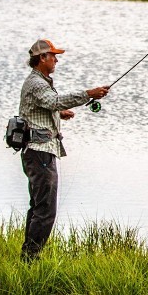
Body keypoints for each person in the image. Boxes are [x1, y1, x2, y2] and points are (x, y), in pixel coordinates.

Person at [18, 38, 109, 262]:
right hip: (40, 153)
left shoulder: (40, 82)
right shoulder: (37, 83)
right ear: (42, 58)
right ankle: (30, 260)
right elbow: (55, 101)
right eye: (53, 56)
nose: (56, 60)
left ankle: (28, 258)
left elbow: (44, 107)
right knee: (45, 210)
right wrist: (88, 94)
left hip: (39, 152)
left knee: (38, 207)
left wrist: (59, 114)